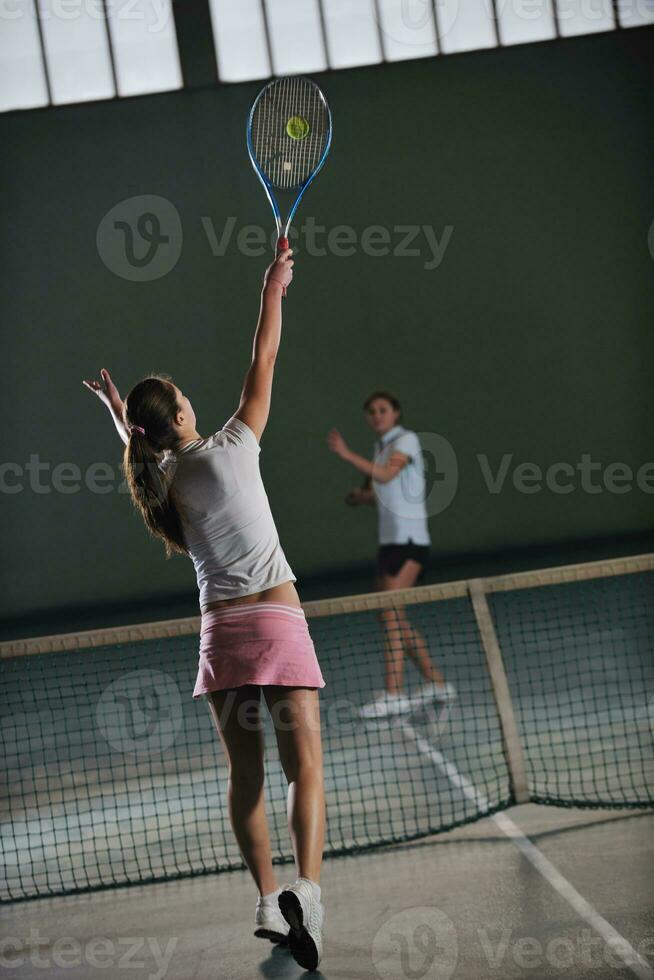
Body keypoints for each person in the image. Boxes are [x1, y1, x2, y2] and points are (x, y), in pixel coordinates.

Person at [83, 249, 326, 972]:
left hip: (222, 639)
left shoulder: (163, 487)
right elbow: (266, 351)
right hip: (278, 626)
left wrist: (120, 420)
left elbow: (142, 453)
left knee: (244, 779)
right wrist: (271, 286)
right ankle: (307, 893)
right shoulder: (235, 444)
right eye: (183, 396)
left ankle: (264, 897)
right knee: (303, 766)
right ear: (183, 415)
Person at [328, 391, 455, 718]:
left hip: (411, 541)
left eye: (382, 410)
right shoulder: (380, 448)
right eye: (371, 411)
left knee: (390, 613)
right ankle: (437, 683)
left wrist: (345, 454)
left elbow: (386, 476)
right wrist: (361, 497)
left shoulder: (406, 441)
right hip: (389, 543)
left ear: (396, 413)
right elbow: (383, 491)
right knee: (390, 614)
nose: (376, 415)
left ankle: (394, 692)